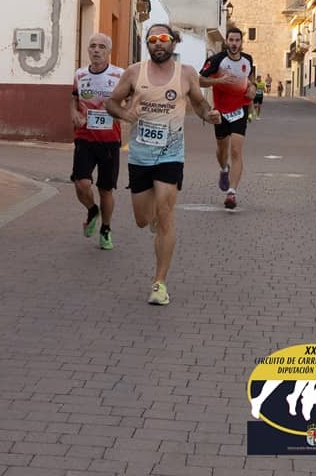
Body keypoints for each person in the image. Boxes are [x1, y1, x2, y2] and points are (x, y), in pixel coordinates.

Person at [105, 24, 221, 306]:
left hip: (171, 155)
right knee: (142, 219)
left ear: (173, 43)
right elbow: (111, 103)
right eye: (153, 39)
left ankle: (159, 283)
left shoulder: (187, 74)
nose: (158, 43)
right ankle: (153, 218)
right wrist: (124, 113)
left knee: (166, 214)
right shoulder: (134, 72)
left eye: (164, 38)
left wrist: (209, 115)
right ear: (147, 44)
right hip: (140, 155)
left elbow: (199, 104)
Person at [70, 33, 124, 251]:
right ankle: (93, 210)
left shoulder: (119, 74)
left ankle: (105, 229)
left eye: (101, 46)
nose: (96, 50)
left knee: (105, 189)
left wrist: (123, 112)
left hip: (110, 140)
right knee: (81, 184)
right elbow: (74, 98)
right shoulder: (80, 74)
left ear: (108, 51)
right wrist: (74, 113)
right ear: (88, 50)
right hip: (85, 137)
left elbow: (131, 99)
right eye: (93, 46)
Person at [199, 28, 255, 210]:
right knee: (222, 151)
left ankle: (232, 193)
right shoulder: (217, 60)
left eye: (237, 40)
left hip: (240, 109)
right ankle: (224, 169)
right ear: (227, 41)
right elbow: (199, 80)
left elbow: (251, 79)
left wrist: (253, 89)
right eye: (231, 40)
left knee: (236, 150)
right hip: (221, 111)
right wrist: (218, 81)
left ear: (241, 42)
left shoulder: (248, 59)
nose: (234, 44)